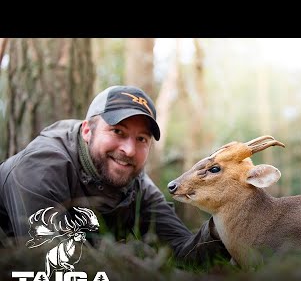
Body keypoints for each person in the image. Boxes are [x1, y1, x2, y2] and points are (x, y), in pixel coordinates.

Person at [0, 85, 230, 265]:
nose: (129, 150)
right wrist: (130, 255)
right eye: (117, 132)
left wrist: (225, 223)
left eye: (141, 139)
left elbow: (184, 251)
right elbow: (52, 267)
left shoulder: (138, 185)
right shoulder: (40, 170)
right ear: (87, 131)